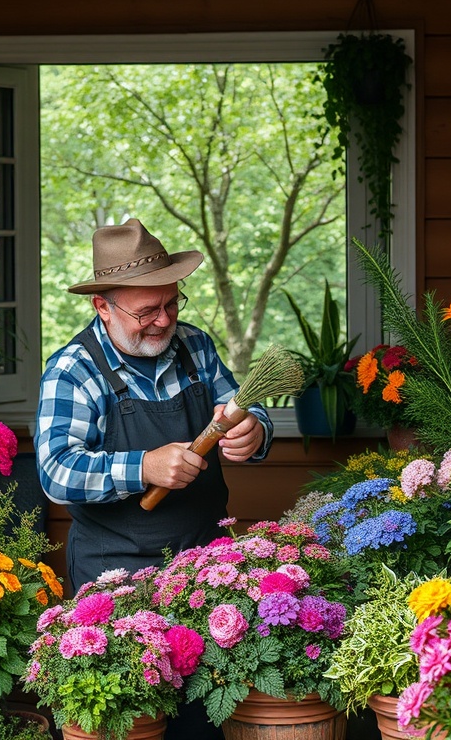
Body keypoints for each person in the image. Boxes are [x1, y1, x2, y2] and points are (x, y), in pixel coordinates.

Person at [35, 219, 273, 738]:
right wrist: (142, 466)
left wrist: (254, 433)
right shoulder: (73, 370)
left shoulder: (195, 347)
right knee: (133, 723)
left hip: (205, 572)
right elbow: (55, 472)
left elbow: (240, 409)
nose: (163, 320)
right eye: (146, 311)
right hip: (116, 578)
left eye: (171, 303)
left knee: (204, 722)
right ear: (102, 306)